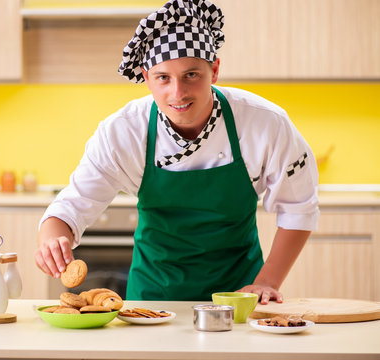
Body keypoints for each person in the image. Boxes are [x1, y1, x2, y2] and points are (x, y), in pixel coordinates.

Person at [35, 0, 319, 304]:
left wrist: (266, 282)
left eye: (192, 75)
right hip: (152, 300)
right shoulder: (124, 131)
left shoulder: (263, 123)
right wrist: (53, 238)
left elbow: (298, 206)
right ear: (146, 79)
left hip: (239, 297)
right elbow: (73, 205)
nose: (178, 92)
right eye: (163, 78)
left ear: (215, 69)